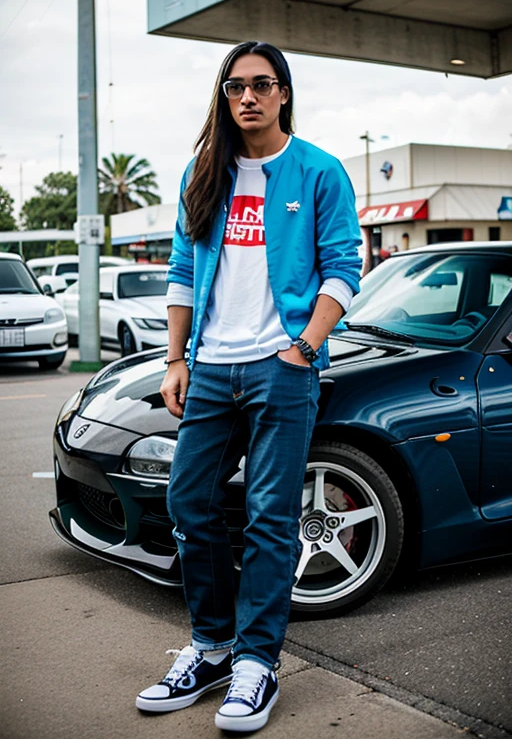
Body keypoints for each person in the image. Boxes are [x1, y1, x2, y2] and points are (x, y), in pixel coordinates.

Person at [136, 40, 362, 732]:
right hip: (209, 367)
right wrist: (176, 359)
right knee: (189, 501)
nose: (248, 97)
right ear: (224, 96)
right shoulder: (203, 172)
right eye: (235, 86)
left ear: (283, 93)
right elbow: (182, 269)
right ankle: (212, 648)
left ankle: (257, 663)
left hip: (281, 367)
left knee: (269, 515)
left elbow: (343, 267)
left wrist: (304, 347)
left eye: (262, 85)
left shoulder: (319, 171)